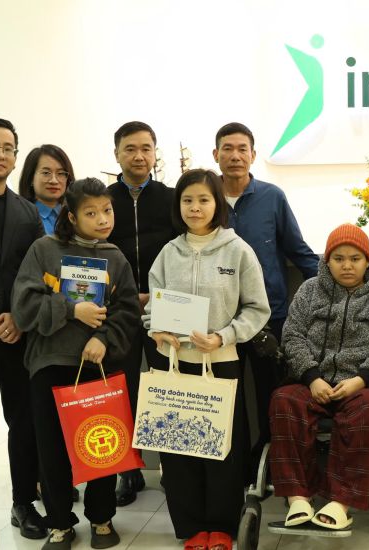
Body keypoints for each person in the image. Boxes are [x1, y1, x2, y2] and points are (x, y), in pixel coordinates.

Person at [142, 169, 270, 550]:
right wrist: (156, 328)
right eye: (187, 200)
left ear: (218, 204)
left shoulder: (238, 251)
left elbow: (256, 308)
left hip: (221, 362)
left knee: (220, 449)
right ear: (177, 205)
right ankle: (192, 527)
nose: (195, 208)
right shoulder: (168, 253)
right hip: (174, 363)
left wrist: (223, 337)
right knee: (179, 449)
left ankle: (221, 526)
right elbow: (153, 304)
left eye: (203, 200)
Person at [11, 177, 140, 550]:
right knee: (52, 450)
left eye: (108, 210)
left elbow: (128, 310)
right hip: (50, 364)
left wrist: (103, 337)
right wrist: (72, 310)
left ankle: (101, 518)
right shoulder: (44, 250)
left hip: (98, 365)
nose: (102, 219)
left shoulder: (115, 257)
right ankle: (60, 524)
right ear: (72, 215)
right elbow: (24, 306)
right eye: (91, 212)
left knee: (101, 445)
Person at [268, 223, 369, 530]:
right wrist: (313, 377)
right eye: (339, 258)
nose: (347, 265)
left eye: (355, 258)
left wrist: (361, 379)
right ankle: (298, 498)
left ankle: (341, 501)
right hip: (312, 382)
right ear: (327, 261)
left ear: (368, 261)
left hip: (360, 384)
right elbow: (292, 337)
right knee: (284, 401)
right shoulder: (309, 290)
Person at [212, 122, 318, 484]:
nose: (235, 155)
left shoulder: (272, 197)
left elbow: (297, 250)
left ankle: (274, 469)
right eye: (228, 148)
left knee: (273, 398)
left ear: (253, 155)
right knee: (227, 399)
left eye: (242, 148)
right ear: (216, 155)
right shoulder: (204, 198)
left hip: (268, 318)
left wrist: (334, 285)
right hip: (218, 325)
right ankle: (234, 470)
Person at [0, 118, 46, 542]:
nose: (2, 155)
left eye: (9, 148)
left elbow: (37, 273)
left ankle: (23, 503)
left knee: (25, 423)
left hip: (20, 338)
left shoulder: (27, 211)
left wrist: (19, 317)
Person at [107, 121, 177, 506]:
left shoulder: (171, 198)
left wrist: (158, 296)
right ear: (116, 153)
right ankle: (126, 468)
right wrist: (125, 295)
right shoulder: (104, 199)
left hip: (165, 307)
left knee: (167, 385)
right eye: (130, 148)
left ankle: (171, 465)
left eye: (146, 148)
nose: (139, 156)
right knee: (121, 388)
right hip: (116, 309)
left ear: (155, 153)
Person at [17, 144, 74, 235]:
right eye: (46, 173)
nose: (54, 181)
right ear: (31, 178)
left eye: (61, 173)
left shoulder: (74, 216)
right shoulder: (21, 217)